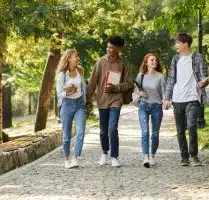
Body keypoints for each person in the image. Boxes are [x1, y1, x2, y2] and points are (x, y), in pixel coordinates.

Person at [164, 33, 209, 166]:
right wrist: (167, 97)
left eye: (178, 43)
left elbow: (205, 77)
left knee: (191, 125)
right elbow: (171, 79)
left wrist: (203, 83)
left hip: (193, 98)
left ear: (185, 43)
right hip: (178, 98)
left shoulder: (198, 58)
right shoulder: (175, 59)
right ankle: (184, 157)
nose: (176, 45)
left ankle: (194, 155)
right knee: (180, 129)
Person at [87, 35, 132, 167]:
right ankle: (104, 153)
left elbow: (129, 83)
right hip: (102, 99)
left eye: (111, 47)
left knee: (112, 127)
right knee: (103, 130)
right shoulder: (100, 62)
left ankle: (114, 156)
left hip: (116, 99)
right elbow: (92, 82)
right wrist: (87, 99)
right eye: (108, 47)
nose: (108, 49)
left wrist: (116, 87)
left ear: (118, 49)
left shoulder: (124, 64)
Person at [132, 53, 165, 168]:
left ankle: (152, 156)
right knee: (145, 131)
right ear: (146, 62)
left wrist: (166, 101)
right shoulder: (141, 76)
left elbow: (164, 92)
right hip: (144, 105)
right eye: (152, 60)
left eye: (155, 60)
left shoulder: (161, 77)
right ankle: (145, 157)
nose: (154, 62)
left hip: (157, 106)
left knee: (155, 134)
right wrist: (140, 93)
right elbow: (136, 91)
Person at [56, 49, 87, 169]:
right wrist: (69, 92)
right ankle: (66, 159)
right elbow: (59, 93)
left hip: (79, 104)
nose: (77, 58)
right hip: (67, 104)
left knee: (80, 132)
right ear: (69, 58)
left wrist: (84, 99)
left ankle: (75, 158)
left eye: (77, 56)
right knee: (66, 135)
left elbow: (83, 87)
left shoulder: (80, 70)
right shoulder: (62, 75)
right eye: (75, 56)